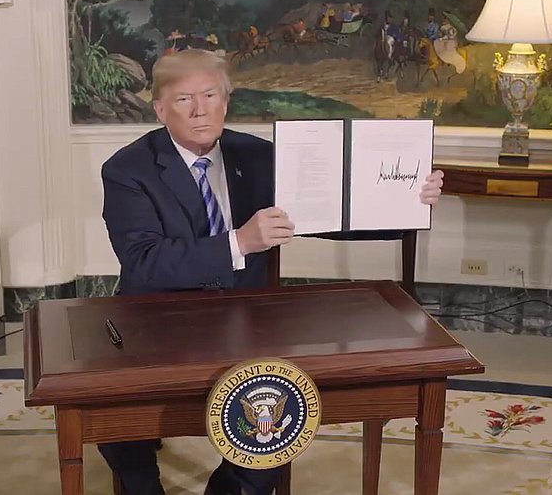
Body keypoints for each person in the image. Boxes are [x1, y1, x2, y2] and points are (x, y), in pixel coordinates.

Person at [99, 49, 444, 495]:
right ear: (160, 107)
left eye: (210, 95)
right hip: (156, 321)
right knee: (115, 421)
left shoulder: (258, 156)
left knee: (278, 418)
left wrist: (406, 204)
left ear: (226, 100)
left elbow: (330, 215)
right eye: (184, 99)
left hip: (246, 319)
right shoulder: (128, 169)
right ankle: (140, 479)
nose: (200, 109)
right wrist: (239, 242)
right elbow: (143, 262)